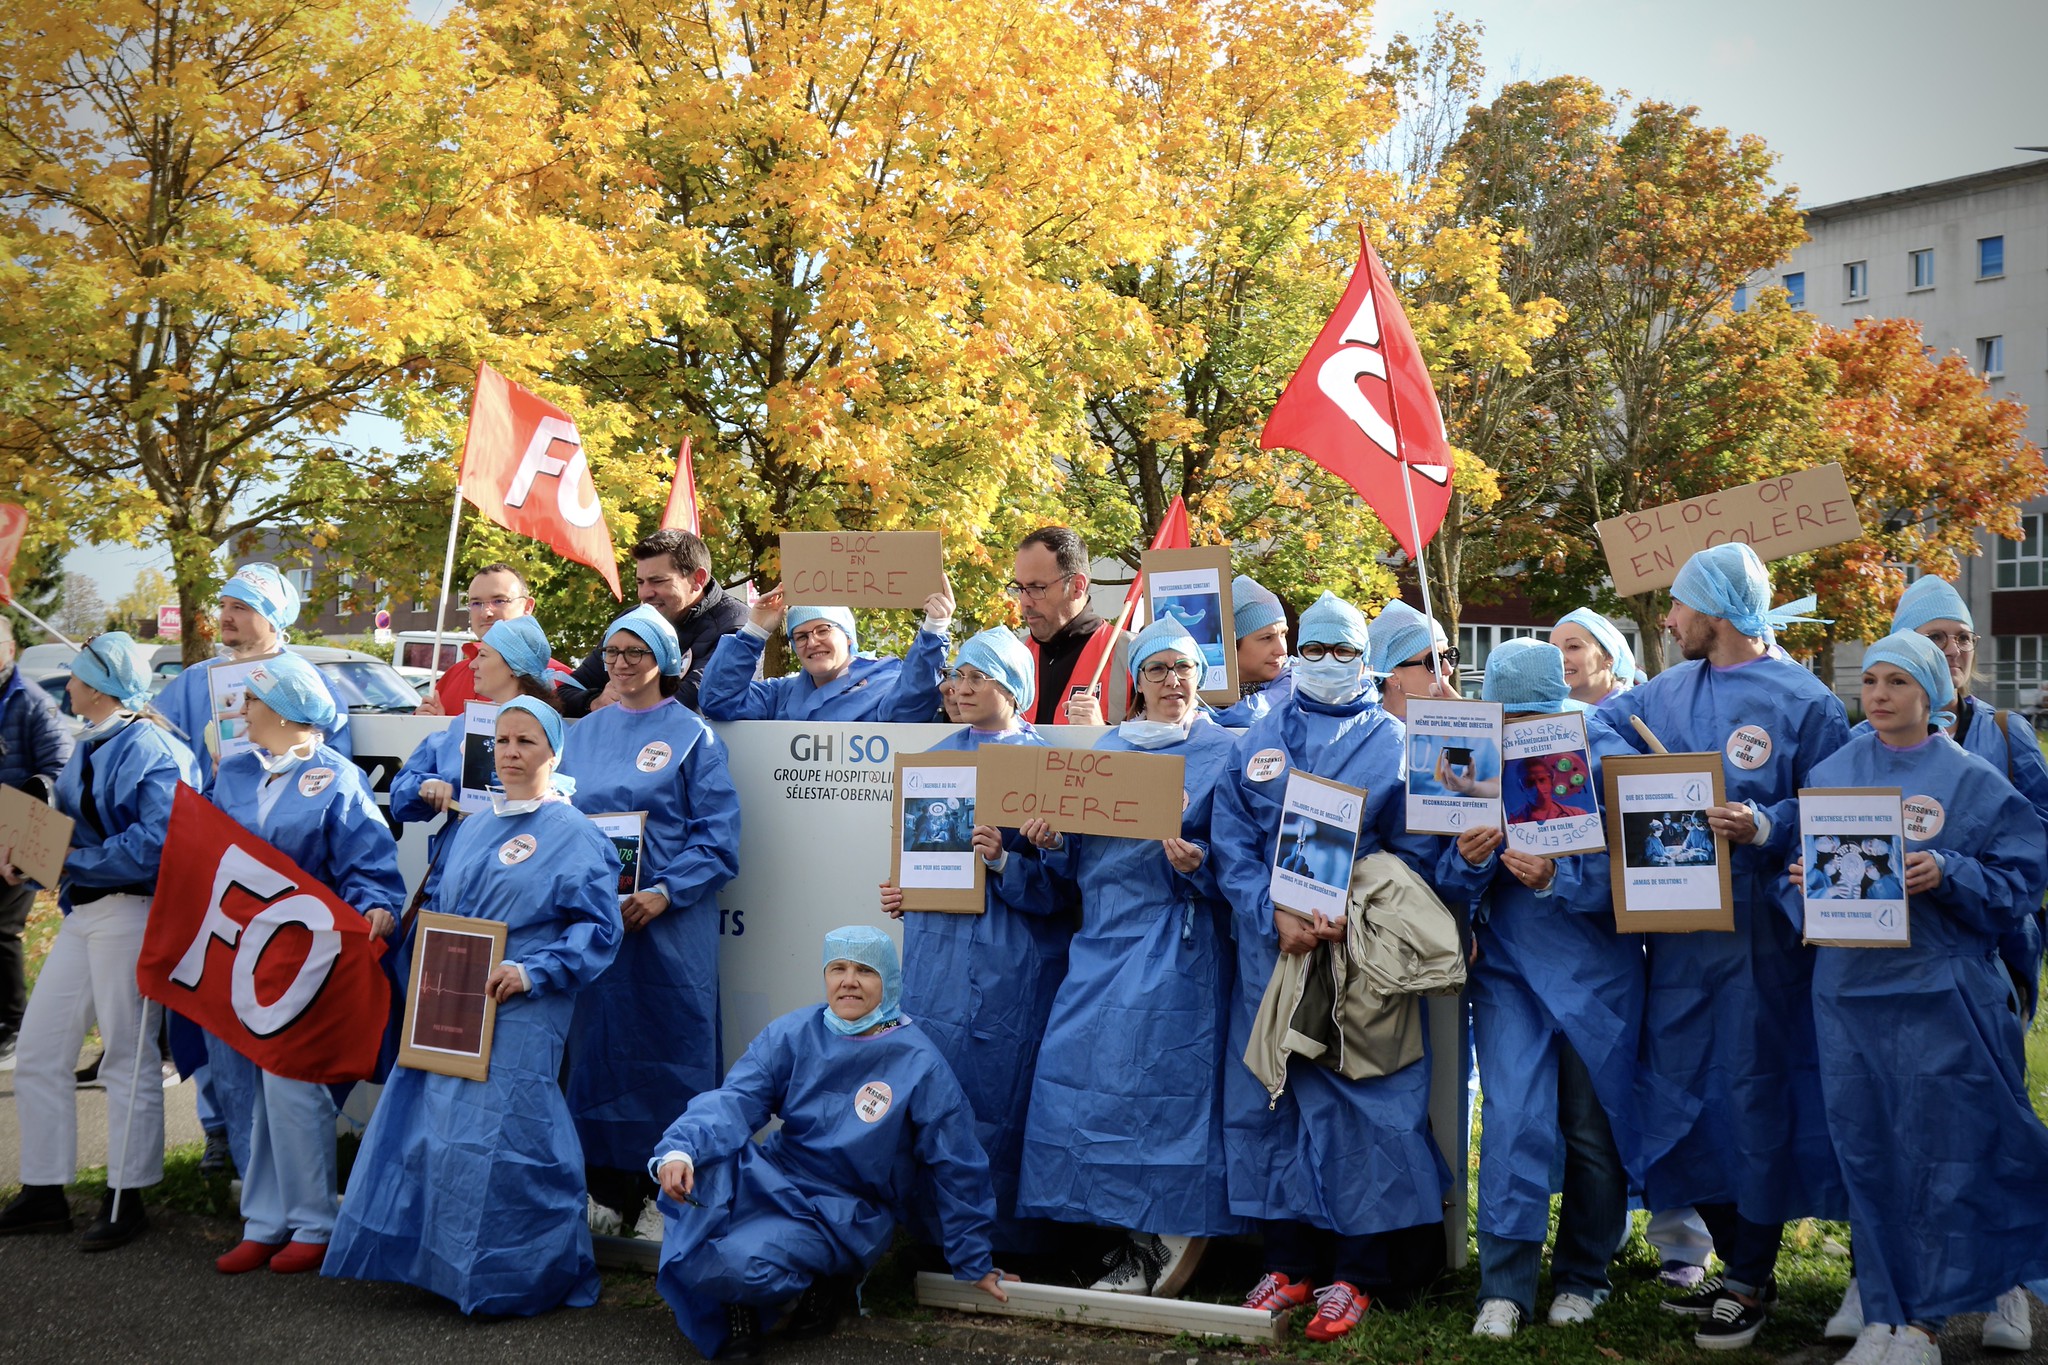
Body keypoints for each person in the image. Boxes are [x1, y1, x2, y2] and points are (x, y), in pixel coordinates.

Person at [1600, 542, 1851, 1350]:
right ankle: (1734, 1254)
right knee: (1681, 1095)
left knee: (1755, 1095)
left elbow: (1843, 808)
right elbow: (1587, 739)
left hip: (1762, 945)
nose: (1667, 620)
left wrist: (1768, 822)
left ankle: (1751, 1273)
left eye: (1677, 605)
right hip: (1677, 943)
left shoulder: (1806, 701)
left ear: (1715, 610)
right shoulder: (1663, 694)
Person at [1789, 631, 2048, 1365]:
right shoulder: (1834, 769)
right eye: (1869, 679)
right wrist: (1800, 880)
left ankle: (1926, 1324)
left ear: (1930, 693)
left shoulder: (1971, 780)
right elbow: (1804, 876)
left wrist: (1953, 871)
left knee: (1937, 1154)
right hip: (1847, 993)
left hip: (1938, 992)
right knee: (1866, 1151)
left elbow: (2019, 883)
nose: (1878, 693)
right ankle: (1883, 1311)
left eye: (1897, 681)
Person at [323, 696, 624, 1316]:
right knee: (437, 1129)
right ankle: (438, 1264)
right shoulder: (477, 823)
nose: (511, 754)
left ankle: (519, 1274)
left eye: (526, 743)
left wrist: (533, 971)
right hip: (454, 994)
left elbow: (597, 931)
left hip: (520, 999)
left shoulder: (576, 833)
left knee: (511, 1134)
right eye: (503, 742)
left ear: (554, 752)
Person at [1211, 592, 1451, 1343]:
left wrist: (1356, 911)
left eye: (1342, 652)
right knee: (1273, 1101)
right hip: (1277, 953)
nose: (1324, 664)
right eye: (1310, 650)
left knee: (1366, 1107)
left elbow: (1416, 857)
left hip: (1357, 954)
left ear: (1367, 659)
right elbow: (1232, 843)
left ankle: (1357, 1272)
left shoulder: (1395, 743)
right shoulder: (1256, 737)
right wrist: (1270, 913)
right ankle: (1288, 1264)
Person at [1438, 641, 1684, 1337]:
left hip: (1597, 971)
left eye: (1536, 718)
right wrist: (1466, 861)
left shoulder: (1608, 757)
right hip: (1510, 971)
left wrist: (1561, 879)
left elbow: (1655, 876)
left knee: (1592, 1126)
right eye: (1511, 718)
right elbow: (1444, 883)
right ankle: (1506, 1284)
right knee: (1513, 1118)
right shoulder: (1472, 757)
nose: (1523, 731)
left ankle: (1584, 1274)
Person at [1013, 619, 1246, 1295]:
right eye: (1158, 669)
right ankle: (1124, 1233)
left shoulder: (1226, 752)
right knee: (1087, 1084)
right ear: (1135, 681)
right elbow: (1065, 878)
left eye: (1185, 668)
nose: (1173, 680)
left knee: (1165, 1092)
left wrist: (1198, 864)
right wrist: (1048, 842)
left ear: (1200, 677)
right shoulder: (1100, 753)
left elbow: (1246, 861)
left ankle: (1172, 1232)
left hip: (1180, 947)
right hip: (1101, 942)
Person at [649, 927, 1009, 1360]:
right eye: (838, 968)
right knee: (697, 1165)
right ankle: (741, 1298)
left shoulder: (918, 1061)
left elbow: (956, 1163)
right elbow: (734, 1102)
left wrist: (974, 1262)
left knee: (743, 1263)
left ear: (889, 982)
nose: (849, 981)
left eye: (865, 971)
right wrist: (679, 1150)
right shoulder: (796, 1033)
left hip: (845, 1210)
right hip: (777, 1180)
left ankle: (813, 1283)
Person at [202, 653, 405, 1275]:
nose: (242, 710)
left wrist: (375, 907)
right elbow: (205, 847)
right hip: (237, 953)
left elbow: (370, 866)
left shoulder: (337, 777)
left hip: (305, 957)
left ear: (288, 712)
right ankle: (264, 1222)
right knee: (254, 1090)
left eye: (254, 700)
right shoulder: (232, 772)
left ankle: (315, 1223)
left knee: (293, 1086)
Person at [877, 626, 1073, 1258]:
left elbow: (1064, 895)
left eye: (976, 678)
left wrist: (1006, 864)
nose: (959, 689)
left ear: (1013, 687)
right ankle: (931, 1240)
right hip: (936, 957)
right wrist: (909, 891)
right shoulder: (934, 760)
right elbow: (928, 862)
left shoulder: (1048, 767)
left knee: (999, 1095)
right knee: (934, 1090)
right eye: (956, 676)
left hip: (1012, 964)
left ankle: (1002, 1243)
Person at [0, 633, 200, 1250]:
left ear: (101, 684)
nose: (67, 684)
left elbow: (158, 843)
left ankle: (126, 1196)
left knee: (128, 1057)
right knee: (37, 1050)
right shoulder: (95, 741)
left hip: (133, 911)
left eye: (77, 675)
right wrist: (29, 855)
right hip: (87, 911)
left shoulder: (154, 748)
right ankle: (42, 1190)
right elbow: (71, 828)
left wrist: (65, 861)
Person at [561, 605, 741, 1239]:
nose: (621, 664)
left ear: (664, 661)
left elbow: (718, 841)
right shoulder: (580, 734)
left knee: (670, 1049)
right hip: (595, 921)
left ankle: (670, 1195)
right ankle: (605, 1191)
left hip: (667, 925)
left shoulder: (693, 735)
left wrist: (665, 892)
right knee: (596, 1050)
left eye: (636, 653)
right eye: (612, 652)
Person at [386, 616, 563, 903]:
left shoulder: (551, 731)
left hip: (520, 884)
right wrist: (426, 785)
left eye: (483, 655)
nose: (472, 664)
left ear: (512, 667)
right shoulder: (463, 726)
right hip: (454, 880)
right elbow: (401, 798)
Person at [155, 562, 353, 769]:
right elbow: (159, 752)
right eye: (223, 606)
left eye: (239, 607)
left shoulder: (308, 683)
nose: (225, 617)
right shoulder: (193, 680)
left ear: (273, 619)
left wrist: (278, 771)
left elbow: (330, 766)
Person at [562, 530, 750, 717]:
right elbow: (564, 694)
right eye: (640, 582)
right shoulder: (631, 620)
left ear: (697, 579)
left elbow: (691, 702)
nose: (644, 594)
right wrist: (594, 702)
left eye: (657, 581)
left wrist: (628, 699)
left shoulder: (736, 624)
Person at [698, 588, 949, 723]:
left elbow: (911, 705)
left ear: (849, 637)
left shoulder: (885, 685)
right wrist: (754, 632)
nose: (812, 642)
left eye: (823, 630)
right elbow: (719, 702)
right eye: (801, 636)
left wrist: (933, 630)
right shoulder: (780, 694)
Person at [0, 613, 73, 1068]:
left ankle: (14, 1026)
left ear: (8, 650)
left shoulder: (30, 701)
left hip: (14, 840)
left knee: (2, 931)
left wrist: (18, 836)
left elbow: (58, 771)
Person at [415, 563, 574, 715]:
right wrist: (433, 726)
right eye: (476, 603)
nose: (486, 613)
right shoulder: (454, 675)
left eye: (499, 601)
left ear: (527, 607)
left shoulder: (562, 681)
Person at [1008, 526, 1128, 726]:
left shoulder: (1129, 653)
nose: (1024, 601)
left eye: (1036, 588)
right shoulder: (1014, 656)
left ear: (1077, 586)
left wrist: (1102, 735)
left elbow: (1161, 745)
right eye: (1019, 588)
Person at [1215, 574, 1293, 727]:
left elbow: (1250, 715)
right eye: (1267, 638)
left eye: (1283, 634)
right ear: (1231, 644)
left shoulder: (1297, 681)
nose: (1282, 650)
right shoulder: (1192, 689)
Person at [1368, 600, 1459, 723]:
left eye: (1450, 656)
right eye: (1434, 661)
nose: (1448, 670)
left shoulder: (1458, 728)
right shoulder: (1368, 735)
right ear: (1393, 676)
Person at [1550, 608, 1640, 709]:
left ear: (1608, 656)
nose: (1560, 659)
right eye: (1554, 651)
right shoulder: (1546, 717)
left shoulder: (1637, 711)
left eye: (1573, 647)